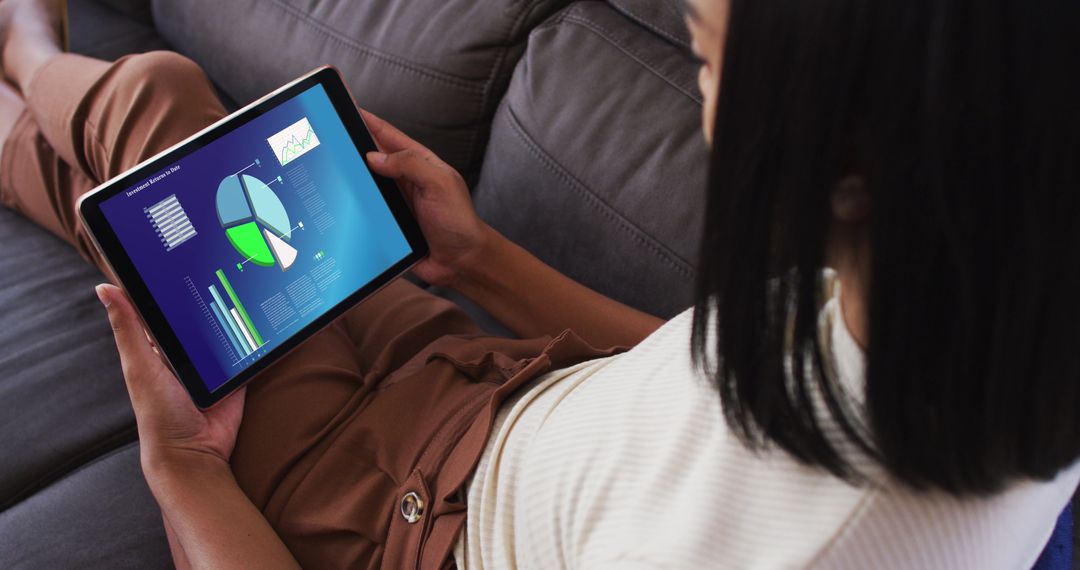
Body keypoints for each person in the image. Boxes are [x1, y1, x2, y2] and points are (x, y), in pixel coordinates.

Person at [2, 0, 1079, 567]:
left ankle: (27, 39)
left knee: (157, 104)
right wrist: (479, 261)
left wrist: (184, 473)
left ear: (836, 149)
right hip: (485, 385)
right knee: (166, 191)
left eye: (702, 56)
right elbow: (702, 383)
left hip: (386, 515)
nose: (699, 86)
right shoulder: (977, 304)